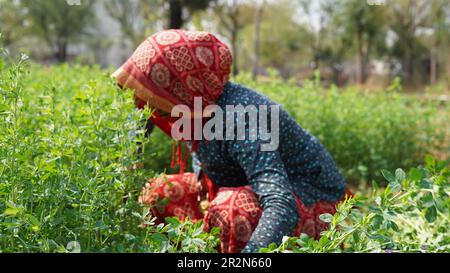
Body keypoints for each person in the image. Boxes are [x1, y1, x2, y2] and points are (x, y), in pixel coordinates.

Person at [113, 29, 352, 253]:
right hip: (226, 188)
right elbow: (138, 130)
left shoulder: (240, 118)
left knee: (232, 208)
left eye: (157, 97)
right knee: (157, 192)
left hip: (316, 205)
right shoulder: (191, 104)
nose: (150, 107)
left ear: (185, 90)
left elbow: (281, 205)